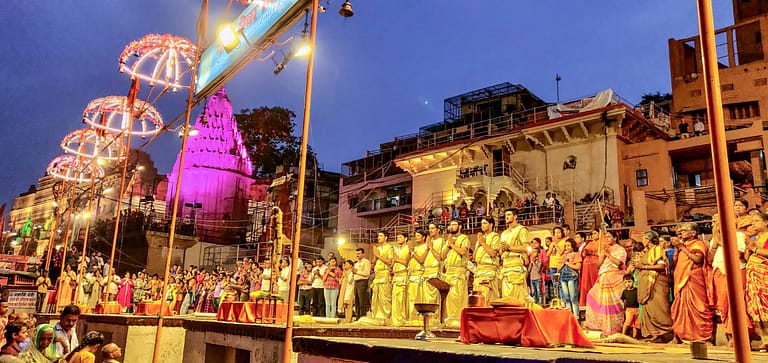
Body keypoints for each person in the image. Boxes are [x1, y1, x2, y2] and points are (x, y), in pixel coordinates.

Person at [670, 222, 713, 343]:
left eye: (684, 230)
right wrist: (677, 248)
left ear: (693, 233)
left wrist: (682, 247)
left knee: (698, 305)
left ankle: (702, 337)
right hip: (681, 280)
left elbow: (698, 259)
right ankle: (682, 336)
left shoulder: (698, 244)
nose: (681, 232)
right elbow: (674, 263)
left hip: (693, 279)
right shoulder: (682, 245)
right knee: (681, 306)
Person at [709, 214, 747, 345]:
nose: (713, 224)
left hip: (734, 273)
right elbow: (709, 260)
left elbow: (739, 255)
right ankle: (730, 337)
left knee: (735, 305)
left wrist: (720, 242)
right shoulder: (715, 238)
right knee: (723, 306)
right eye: (713, 222)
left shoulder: (738, 235)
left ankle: (739, 338)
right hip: (719, 274)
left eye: (716, 221)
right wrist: (714, 244)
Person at [633, 230, 674, 342]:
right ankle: (656, 334)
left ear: (648, 239)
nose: (642, 241)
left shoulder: (657, 250)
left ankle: (667, 333)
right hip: (648, 286)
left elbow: (661, 266)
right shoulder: (648, 251)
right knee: (650, 309)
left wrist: (643, 267)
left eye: (643, 238)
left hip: (657, 284)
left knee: (659, 309)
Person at [585, 230, 627, 335]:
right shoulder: (605, 249)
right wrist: (602, 254)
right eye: (606, 237)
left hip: (615, 278)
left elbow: (619, 263)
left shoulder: (620, 250)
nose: (607, 239)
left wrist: (608, 254)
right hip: (603, 278)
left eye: (609, 237)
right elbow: (599, 265)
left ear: (615, 238)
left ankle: (614, 327)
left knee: (612, 303)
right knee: (591, 296)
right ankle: (603, 326)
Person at [746, 211, 768, 350]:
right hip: (754, 279)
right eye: (752, 221)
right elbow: (747, 255)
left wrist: (754, 248)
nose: (753, 223)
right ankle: (765, 338)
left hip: (764, 277)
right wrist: (750, 244)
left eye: (756, 221)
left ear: (766, 222)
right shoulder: (755, 238)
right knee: (756, 309)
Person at [499, 209, 531, 301]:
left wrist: (509, 247)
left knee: (517, 297)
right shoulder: (504, 233)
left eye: (509, 215)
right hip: (505, 266)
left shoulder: (521, 230)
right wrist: (502, 249)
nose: (506, 217)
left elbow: (525, 247)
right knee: (506, 297)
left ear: (515, 216)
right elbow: (501, 252)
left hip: (516, 265)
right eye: (505, 215)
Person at [442, 219, 469, 325]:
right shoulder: (448, 240)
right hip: (449, 273)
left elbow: (463, 251)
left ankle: (456, 320)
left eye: (454, 225)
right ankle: (449, 320)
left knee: (456, 297)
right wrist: (449, 245)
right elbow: (442, 256)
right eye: (450, 225)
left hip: (458, 273)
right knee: (449, 299)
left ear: (460, 226)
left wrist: (452, 245)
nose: (451, 227)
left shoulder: (464, 238)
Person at [473, 216, 501, 306]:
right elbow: (474, 257)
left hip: (489, 271)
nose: (482, 225)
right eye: (481, 223)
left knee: (487, 298)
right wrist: (478, 244)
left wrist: (483, 243)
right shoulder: (481, 238)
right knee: (477, 300)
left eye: (485, 223)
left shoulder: (495, 236)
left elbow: (493, 253)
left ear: (491, 225)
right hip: (479, 271)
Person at [371, 232, 393, 322]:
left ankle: (386, 317)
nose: (378, 238)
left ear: (386, 237)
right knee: (375, 298)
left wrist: (378, 255)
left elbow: (390, 262)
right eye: (378, 236)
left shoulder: (390, 247)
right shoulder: (378, 248)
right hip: (377, 275)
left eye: (381, 236)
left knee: (385, 298)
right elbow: (374, 263)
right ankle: (376, 317)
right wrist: (375, 258)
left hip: (385, 274)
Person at [390, 232, 410, 326]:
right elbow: (393, 263)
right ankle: (395, 320)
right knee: (395, 299)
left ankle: (402, 319)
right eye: (397, 237)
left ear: (406, 238)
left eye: (400, 237)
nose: (398, 239)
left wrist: (397, 259)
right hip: (396, 276)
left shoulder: (408, 248)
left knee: (401, 299)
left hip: (403, 275)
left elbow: (406, 262)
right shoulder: (396, 249)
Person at [408, 229, 428, 323]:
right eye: (415, 235)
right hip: (411, 276)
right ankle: (411, 318)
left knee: (416, 298)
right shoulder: (415, 248)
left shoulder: (425, 247)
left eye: (418, 235)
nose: (416, 237)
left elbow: (421, 260)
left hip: (419, 276)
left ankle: (416, 319)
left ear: (424, 237)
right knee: (411, 299)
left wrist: (412, 252)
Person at [559, 238, 581, 316]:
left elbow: (578, 267)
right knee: (566, 298)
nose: (567, 247)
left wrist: (567, 263)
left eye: (568, 245)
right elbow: (558, 268)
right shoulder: (564, 255)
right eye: (565, 246)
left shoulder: (576, 254)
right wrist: (562, 262)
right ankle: (570, 316)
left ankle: (576, 316)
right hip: (563, 277)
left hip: (572, 277)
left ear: (572, 246)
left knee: (573, 298)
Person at [579, 230, 601, 307]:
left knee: (595, 283)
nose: (593, 235)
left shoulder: (601, 243)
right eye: (592, 234)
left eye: (595, 233)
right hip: (586, 266)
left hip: (595, 266)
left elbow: (602, 254)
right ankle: (586, 303)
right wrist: (585, 253)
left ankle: (597, 303)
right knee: (586, 284)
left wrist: (591, 253)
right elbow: (583, 254)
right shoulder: (590, 243)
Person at [352, 248, 371, 320]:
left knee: (362, 300)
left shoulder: (366, 262)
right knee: (356, 300)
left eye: (359, 254)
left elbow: (367, 273)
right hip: (356, 282)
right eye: (357, 254)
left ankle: (363, 317)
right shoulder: (356, 263)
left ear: (363, 254)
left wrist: (357, 272)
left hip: (362, 282)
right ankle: (357, 316)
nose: (357, 255)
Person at [621, 274, 640, 338]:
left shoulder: (636, 290)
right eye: (625, 282)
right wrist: (623, 307)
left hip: (637, 309)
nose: (628, 284)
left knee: (636, 324)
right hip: (629, 310)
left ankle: (634, 337)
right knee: (627, 322)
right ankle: (623, 335)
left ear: (633, 281)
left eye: (629, 281)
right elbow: (623, 300)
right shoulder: (625, 291)